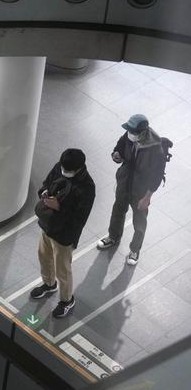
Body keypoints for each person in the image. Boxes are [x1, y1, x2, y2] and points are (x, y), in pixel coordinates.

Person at [30, 149, 96, 318]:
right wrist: (44, 192)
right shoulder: (60, 167)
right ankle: (49, 284)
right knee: (44, 257)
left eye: (68, 170)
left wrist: (59, 207)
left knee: (63, 269)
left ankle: (67, 300)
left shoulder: (87, 187)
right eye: (63, 168)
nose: (64, 172)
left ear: (79, 168)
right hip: (48, 226)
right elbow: (46, 183)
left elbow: (80, 217)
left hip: (65, 235)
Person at [96, 113, 167, 266]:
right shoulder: (129, 136)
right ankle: (113, 237)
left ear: (142, 132)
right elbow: (119, 148)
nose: (130, 134)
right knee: (118, 210)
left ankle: (135, 249)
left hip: (141, 189)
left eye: (133, 132)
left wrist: (147, 197)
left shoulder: (156, 149)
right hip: (125, 182)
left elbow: (157, 175)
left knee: (139, 220)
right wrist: (116, 155)